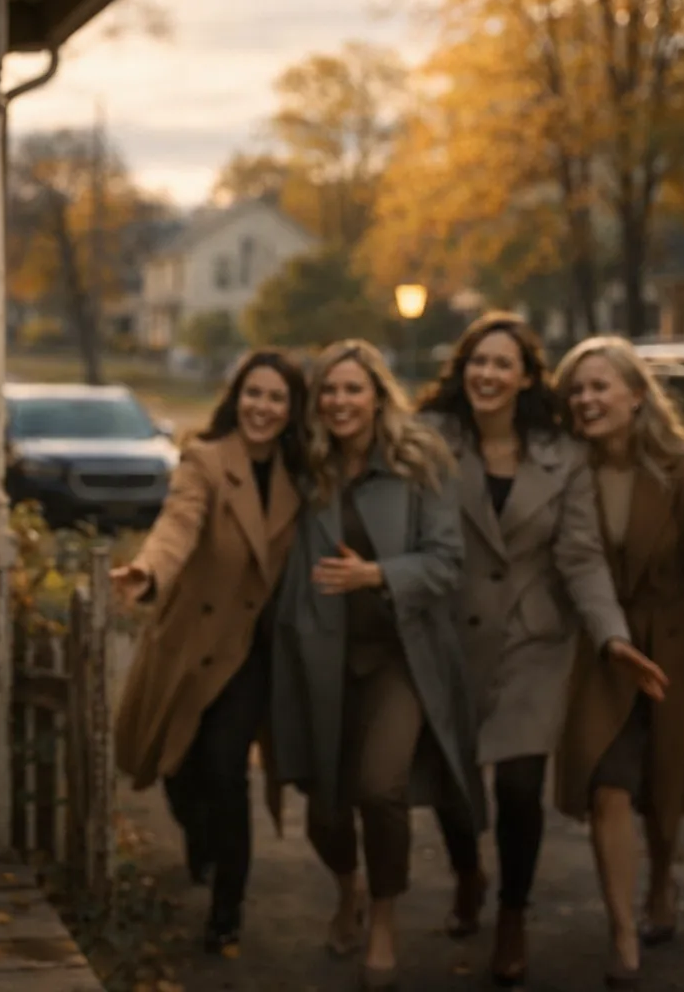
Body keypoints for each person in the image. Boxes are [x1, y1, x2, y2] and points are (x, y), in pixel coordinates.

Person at [416, 313, 669, 986]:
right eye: (477, 361)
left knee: (520, 786)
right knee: (454, 785)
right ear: (462, 369)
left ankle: (512, 915)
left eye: (503, 363)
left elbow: (581, 557)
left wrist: (611, 637)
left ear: (527, 377)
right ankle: (467, 872)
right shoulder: (431, 440)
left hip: (533, 640)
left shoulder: (564, 456)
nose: (487, 373)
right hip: (449, 635)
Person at [268, 340, 482, 991]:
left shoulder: (420, 461)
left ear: (377, 395)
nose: (340, 402)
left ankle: (384, 924)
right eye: (329, 391)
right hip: (322, 652)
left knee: (379, 788)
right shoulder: (309, 467)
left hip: (400, 654)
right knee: (325, 808)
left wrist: (376, 575)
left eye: (353, 389)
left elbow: (447, 561)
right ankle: (348, 891)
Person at [551, 336, 684, 987]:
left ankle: (662, 880)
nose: (586, 400)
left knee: (665, 786)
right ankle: (621, 933)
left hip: (674, 646)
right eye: (577, 389)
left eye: (599, 386)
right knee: (607, 783)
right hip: (604, 648)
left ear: (637, 395)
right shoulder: (568, 468)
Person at [112, 349, 311, 954]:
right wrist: (148, 570)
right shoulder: (205, 459)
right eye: (254, 394)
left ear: (291, 409)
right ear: (236, 398)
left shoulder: (304, 473)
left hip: (250, 648)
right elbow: (179, 523)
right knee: (178, 767)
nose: (263, 407)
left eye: (276, 397)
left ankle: (228, 908)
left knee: (226, 768)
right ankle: (201, 839)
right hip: (192, 640)